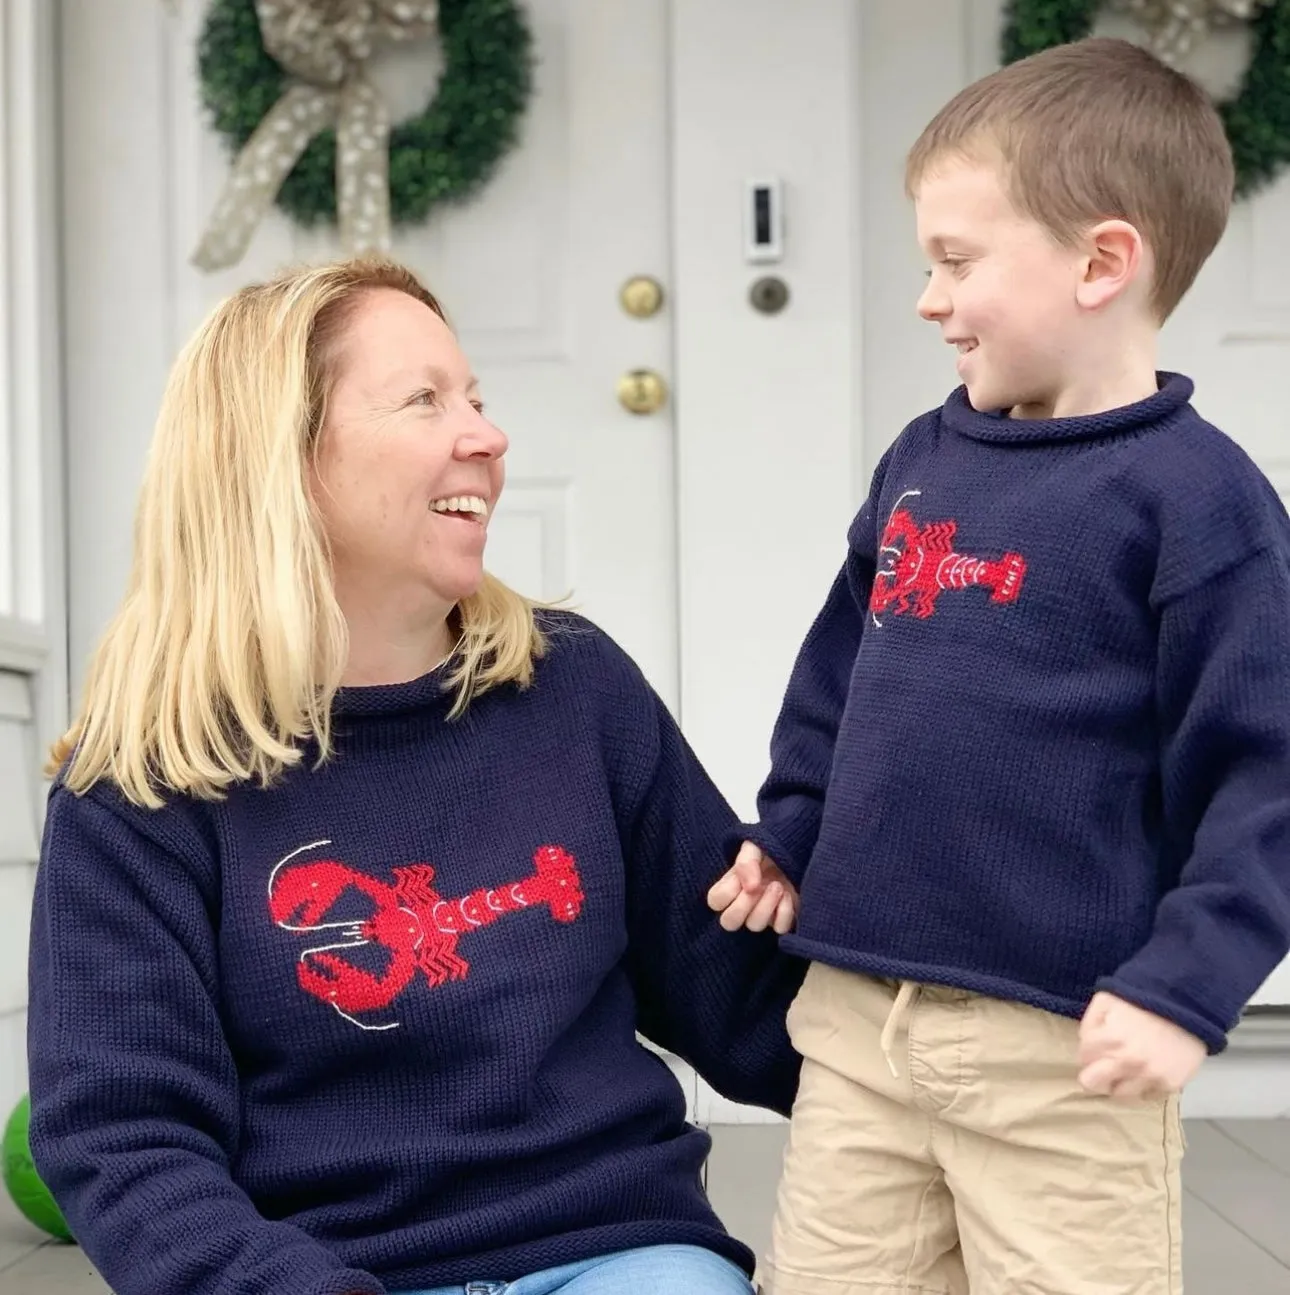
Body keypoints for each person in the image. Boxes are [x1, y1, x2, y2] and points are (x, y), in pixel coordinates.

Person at [28, 257, 804, 1295]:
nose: (487, 434)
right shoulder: (139, 783)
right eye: (426, 400)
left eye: (477, 397)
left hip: (616, 1246)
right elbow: (126, 1141)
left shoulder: (577, 689)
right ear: (282, 460)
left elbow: (758, 1005)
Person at [709, 36, 1290, 1295]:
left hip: (1062, 1050)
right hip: (862, 1023)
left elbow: (1266, 776)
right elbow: (840, 681)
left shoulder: (1198, 505)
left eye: (956, 262)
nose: (929, 297)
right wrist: (792, 827)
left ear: (1101, 262)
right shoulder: (926, 455)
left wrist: (1187, 985)